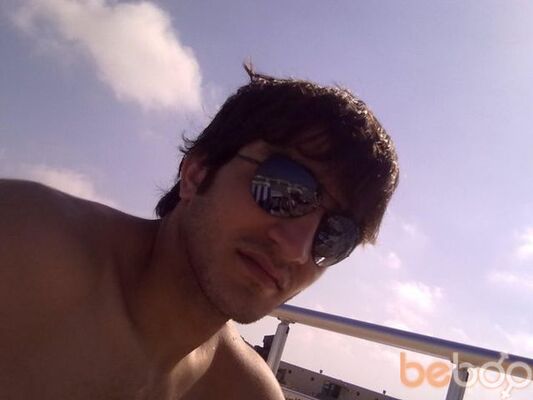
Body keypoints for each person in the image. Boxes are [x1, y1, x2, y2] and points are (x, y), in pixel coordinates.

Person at [0, 65, 399, 400]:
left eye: (335, 236)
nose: (297, 249)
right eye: (284, 190)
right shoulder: (25, 247)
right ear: (196, 173)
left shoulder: (245, 393)